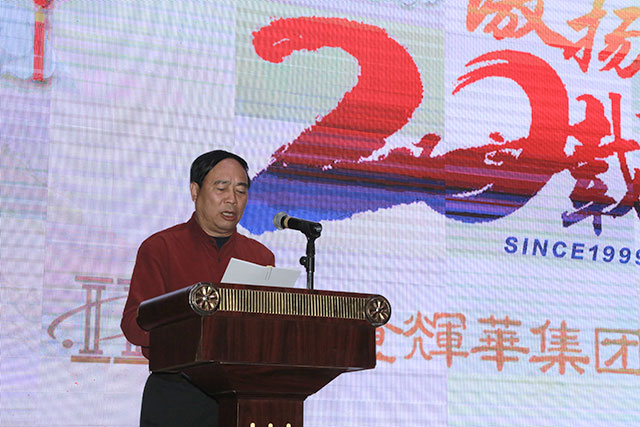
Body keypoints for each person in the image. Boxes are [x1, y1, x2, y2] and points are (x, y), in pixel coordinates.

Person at [121, 150, 275, 426]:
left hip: (244, 396)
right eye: (221, 188)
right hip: (178, 394)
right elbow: (134, 324)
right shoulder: (161, 247)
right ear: (195, 191)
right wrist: (194, 331)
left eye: (241, 191)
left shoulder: (260, 257)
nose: (232, 199)